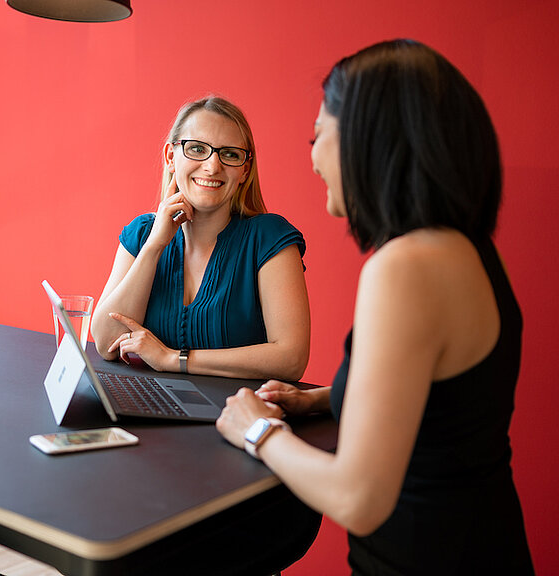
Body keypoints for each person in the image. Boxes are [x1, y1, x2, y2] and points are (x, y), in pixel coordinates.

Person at [217, 39, 535, 575]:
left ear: (370, 138)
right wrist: (322, 400)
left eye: (320, 133)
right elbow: (442, 403)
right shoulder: (469, 248)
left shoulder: (404, 266)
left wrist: (255, 429)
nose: (312, 155)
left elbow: (358, 500)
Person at [91, 96, 310, 381]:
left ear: (244, 169)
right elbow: (106, 342)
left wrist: (173, 359)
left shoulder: (269, 238)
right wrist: (155, 246)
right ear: (171, 156)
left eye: (229, 154)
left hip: (236, 413)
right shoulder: (143, 233)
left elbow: (291, 359)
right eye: (197, 149)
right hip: (150, 412)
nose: (212, 167)